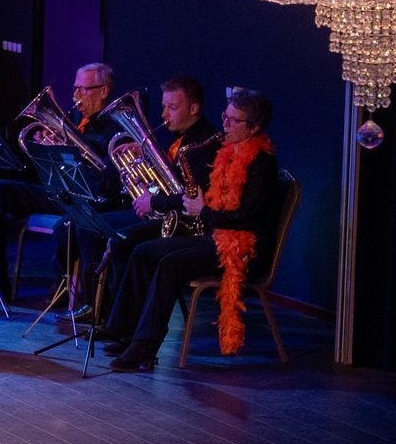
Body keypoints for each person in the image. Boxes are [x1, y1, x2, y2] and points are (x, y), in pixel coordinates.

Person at [100, 89, 279, 371]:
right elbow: (201, 196)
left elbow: (244, 218)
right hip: (215, 236)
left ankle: (145, 347)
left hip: (242, 250)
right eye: (225, 116)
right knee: (144, 251)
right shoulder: (227, 152)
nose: (225, 124)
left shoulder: (263, 164)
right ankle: (124, 332)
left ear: (254, 127)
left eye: (234, 121)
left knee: (169, 263)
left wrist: (202, 211)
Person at [0, 61, 118, 305]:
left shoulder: (113, 127)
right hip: (59, 191)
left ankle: (63, 285)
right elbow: (47, 172)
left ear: (104, 90)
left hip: (88, 200)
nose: (75, 96)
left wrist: (70, 150)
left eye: (83, 89)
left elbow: (105, 180)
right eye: (75, 88)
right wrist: (43, 150)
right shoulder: (74, 118)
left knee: (68, 225)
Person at [94, 75, 219, 303]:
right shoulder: (177, 138)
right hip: (164, 213)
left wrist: (151, 200)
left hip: (184, 223)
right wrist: (146, 162)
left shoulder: (205, 144)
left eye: (172, 107)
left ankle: (121, 314)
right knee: (93, 226)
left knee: (122, 241)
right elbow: (168, 182)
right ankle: (101, 308)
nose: (164, 114)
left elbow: (190, 195)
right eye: (163, 107)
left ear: (193, 108)